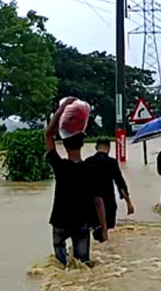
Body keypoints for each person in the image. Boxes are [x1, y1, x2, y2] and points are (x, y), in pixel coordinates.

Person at [45, 97, 107, 266]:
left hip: (60, 222)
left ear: (64, 144)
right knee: (83, 266)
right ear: (83, 142)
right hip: (81, 224)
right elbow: (99, 202)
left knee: (59, 267)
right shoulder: (91, 169)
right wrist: (103, 228)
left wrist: (62, 108)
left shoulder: (61, 167)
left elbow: (48, 134)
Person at [85, 138, 135, 242]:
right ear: (108, 148)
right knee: (108, 233)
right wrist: (128, 202)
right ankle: (108, 254)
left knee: (94, 232)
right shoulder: (112, 163)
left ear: (96, 147)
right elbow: (120, 183)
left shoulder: (87, 162)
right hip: (108, 204)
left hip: (91, 204)